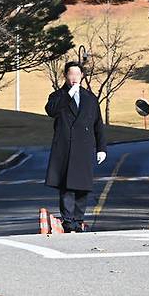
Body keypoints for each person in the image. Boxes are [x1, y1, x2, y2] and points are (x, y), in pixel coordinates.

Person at [44, 61, 107, 232]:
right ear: (65, 76)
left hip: (84, 147)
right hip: (65, 147)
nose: (74, 78)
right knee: (67, 187)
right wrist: (68, 96)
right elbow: (51, 110)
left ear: (82, 76)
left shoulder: (90, 98)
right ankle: (68, 221)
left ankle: (79, 221)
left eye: (77, 74)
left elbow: (98, 124)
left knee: (82, 187)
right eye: (71, 74)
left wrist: (101, 148)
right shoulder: (57, 96)